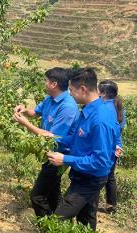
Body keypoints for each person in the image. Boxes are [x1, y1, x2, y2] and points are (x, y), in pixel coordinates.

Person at [47, 68, 119, 230]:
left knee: (56, 220)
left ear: (83, 89)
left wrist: (65, 159)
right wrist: (53, 139)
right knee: (86, 219)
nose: (70, 94)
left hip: (90, 178)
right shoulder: (88, 110)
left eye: (71, 90)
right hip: (83, 174)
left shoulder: (100, 119)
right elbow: (76, 139)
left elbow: (100, 161)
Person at [13, 67, 79, 217]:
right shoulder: (50, 98)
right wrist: (24, 110)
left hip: (58, 156)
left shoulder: (67, 107)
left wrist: (26, 125)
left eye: (46, 81)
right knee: (52, 192)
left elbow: (52, 136)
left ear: (54, 84)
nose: (45, 83)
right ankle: (58, 222)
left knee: (37, 196)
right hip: (49, 152)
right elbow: (36, 112)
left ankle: (47, 225)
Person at [98, 80, 125, 214]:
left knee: (101, 174)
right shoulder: (118, 106)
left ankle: (92, 201)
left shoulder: (105, 107)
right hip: (116, 146)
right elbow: (120, 128)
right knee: (110, 176)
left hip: (110, 146)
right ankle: (111, 205)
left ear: (103, 93)